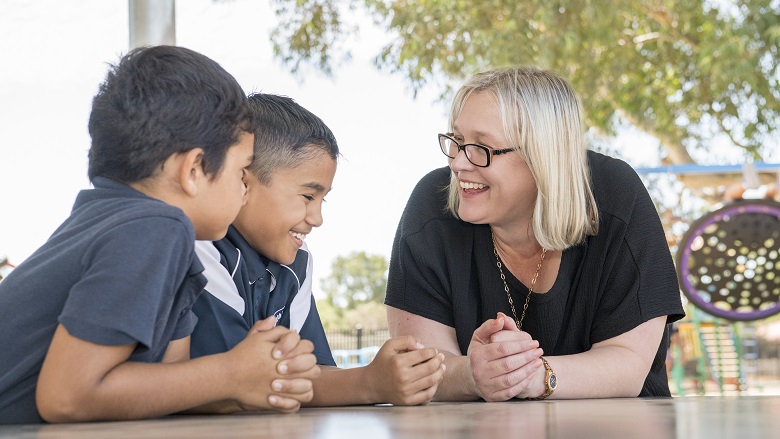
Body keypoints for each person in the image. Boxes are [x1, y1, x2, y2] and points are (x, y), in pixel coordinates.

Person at [0, 46, 319, 424]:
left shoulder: (143, 231)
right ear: (194, 169)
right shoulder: (152, 227)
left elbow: (169, 388)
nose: (244, 190)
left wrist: (255, 381)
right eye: (241, 172)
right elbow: (67, 397)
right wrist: (231, 373)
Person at [385, 66, 685, 401]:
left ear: (542, 156)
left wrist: (532, 376)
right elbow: (420, 367)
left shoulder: (616, 196)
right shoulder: (433, 205)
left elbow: (628, 364)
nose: (458, 163)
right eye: (456, 141)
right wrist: (475, 374)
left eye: (481, 147)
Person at [191, 93, 445, 406]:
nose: (317, 219)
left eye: (323, 200)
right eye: (308, 197)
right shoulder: (204, 251)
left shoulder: (297, 262)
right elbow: (236, 389)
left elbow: (313, 373)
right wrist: (368, 385)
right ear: (244, 182)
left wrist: (376, 381)